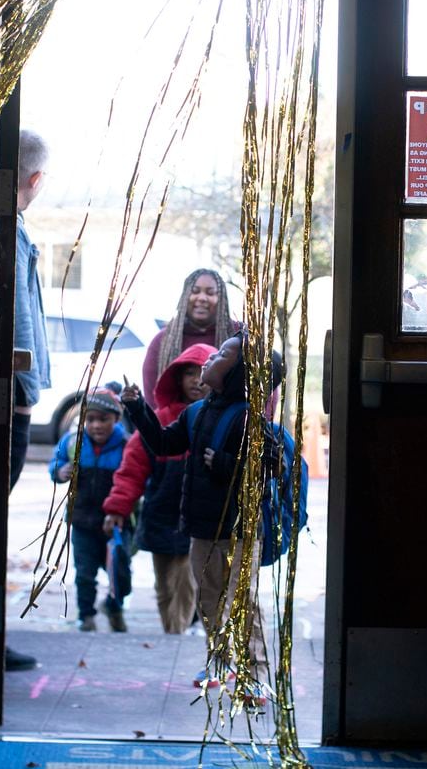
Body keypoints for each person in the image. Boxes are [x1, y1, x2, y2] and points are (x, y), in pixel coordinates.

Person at [121, 332, 282, 705]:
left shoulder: (247, 419)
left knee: (245, 602)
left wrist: (226, 464)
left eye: (223, 354)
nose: (210, 359)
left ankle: (256, 673)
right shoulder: (195, 412)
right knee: (209, 601)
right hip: (202, 529)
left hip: (240, 530)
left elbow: (273, 464)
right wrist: (137, 410)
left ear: (242, 374)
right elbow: (164, 444)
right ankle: (222, 660)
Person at [101, 343, 214, 634]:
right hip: (161, 515)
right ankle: (172, 633)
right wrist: (117, 508)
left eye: (203, 372)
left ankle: (176, 637)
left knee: (188, 583)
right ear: (177, 378)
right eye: (189, 373)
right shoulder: (161, 420)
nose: (196, 379)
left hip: (199, 520)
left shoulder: (218, 420)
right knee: (164, 585)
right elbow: (132, 469)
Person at [7, 129, 51, 671]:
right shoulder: (8, 234)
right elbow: (19, 316)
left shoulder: (8, 230)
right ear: (35, 180)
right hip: (11, 403)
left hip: (13, 397)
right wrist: (23, 393)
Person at [49, 388, 132, 633]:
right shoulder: (73, 442)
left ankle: (114, 607)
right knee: (84, 573)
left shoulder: (127, 445)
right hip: (82, 522)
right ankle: (86, 616)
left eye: (103, 419)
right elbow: (56, 463)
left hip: (116, 523)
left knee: (120, 572)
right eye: (90, 419)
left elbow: (138, 479)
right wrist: (59, 471)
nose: (96, 425)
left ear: (116, 419)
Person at [141, 269, 239, 411]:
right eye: (195, 291)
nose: (202, 298)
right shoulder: (163, 340)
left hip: (229, 426)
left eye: (210, 293)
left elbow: (265, 384)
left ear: (222, 298)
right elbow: (152, 397)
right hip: (174, 428)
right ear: (185, 296)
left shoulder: (239, 335)